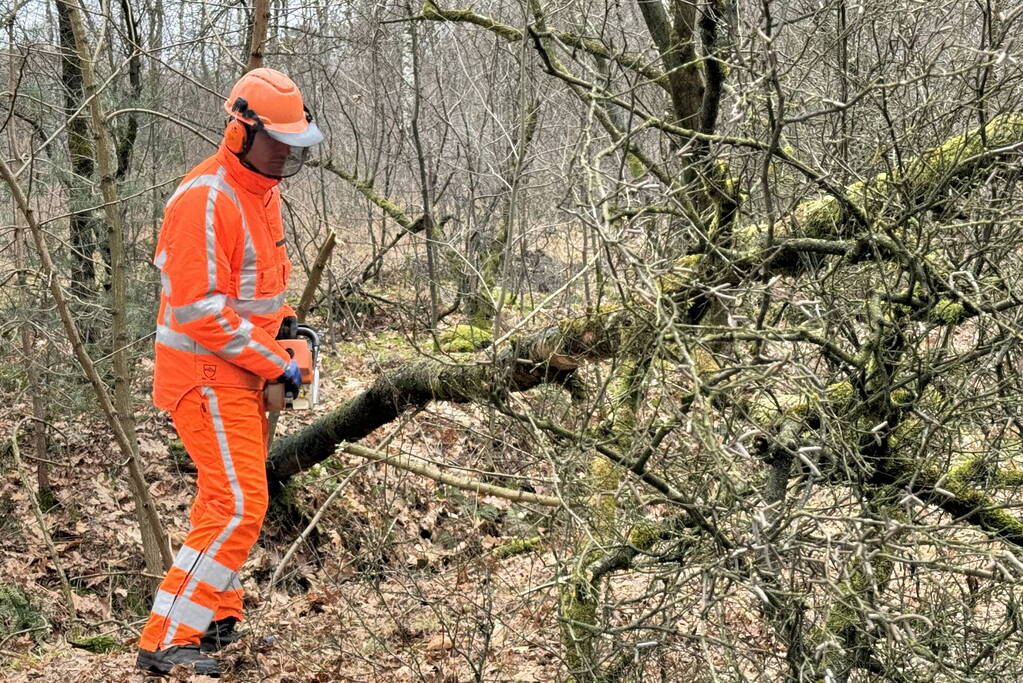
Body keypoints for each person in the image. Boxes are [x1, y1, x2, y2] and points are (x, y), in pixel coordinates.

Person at [136, 67, 322, 677]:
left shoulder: (261, 196)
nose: (286, 155)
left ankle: (213, 615)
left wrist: (288, 329)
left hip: (239, 372)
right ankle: (168, 637)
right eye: (277, 143)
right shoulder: (206, 197)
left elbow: (257, 293)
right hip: (205, 374)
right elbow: (199, 310)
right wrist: (277, 363)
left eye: (293, 145)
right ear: (242, 129)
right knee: (239, 503)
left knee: (229, 501)